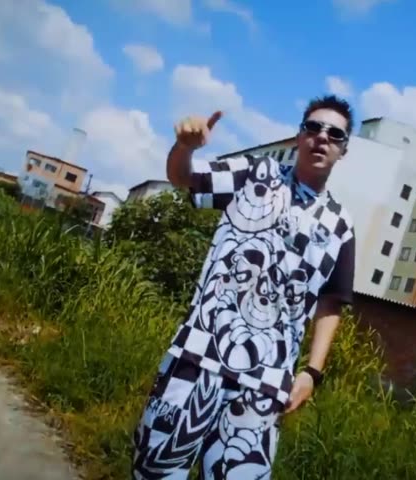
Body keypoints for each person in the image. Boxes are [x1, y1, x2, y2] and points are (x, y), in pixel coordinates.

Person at [133, 95, 357, 479]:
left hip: (265, 385)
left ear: (344, 149)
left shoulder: (341, 226)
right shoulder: (255, 174)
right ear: (298, 136)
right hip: (197, 358)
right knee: (155, 472)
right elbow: (183, 178)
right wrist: (184, 147)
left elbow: (332, 302)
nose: (322, 137)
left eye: (334, 134)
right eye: (313, 127)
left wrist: (312, 373)